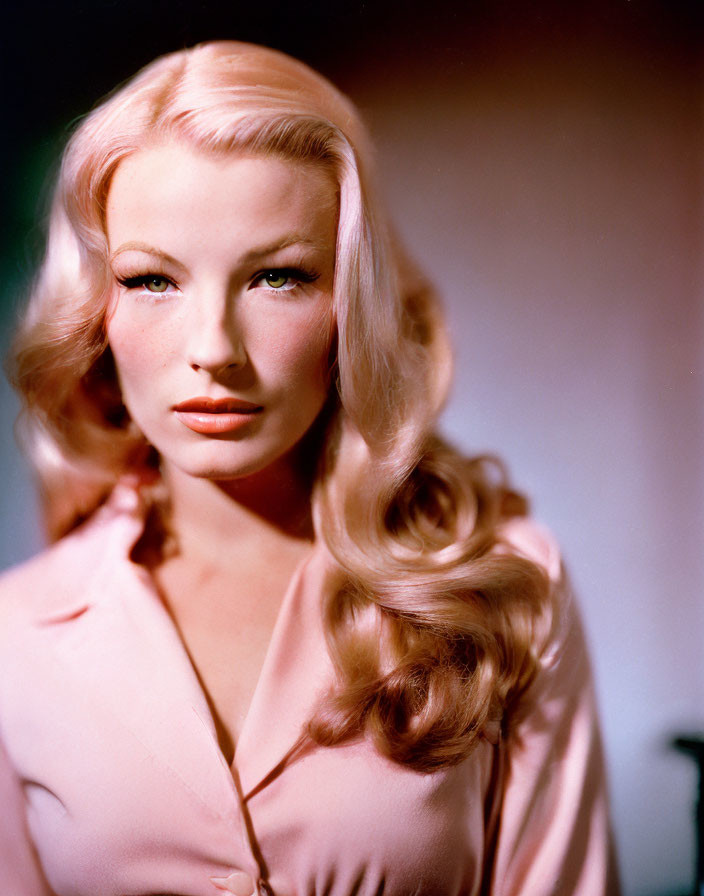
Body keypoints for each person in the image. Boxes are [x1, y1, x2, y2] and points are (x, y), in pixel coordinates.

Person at [0, 41, 619, 896]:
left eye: (278, 278)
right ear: (93, 310)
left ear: (350, 303)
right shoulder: (15, 638)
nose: (213, 349)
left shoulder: (504, 585)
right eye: (152, 282)